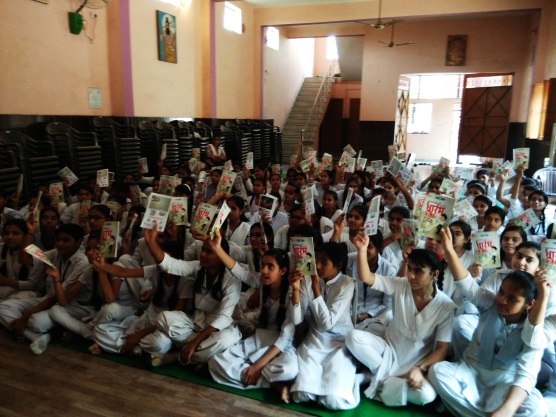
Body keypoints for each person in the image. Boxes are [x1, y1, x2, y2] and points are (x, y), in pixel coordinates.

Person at [429, 228, 548, 417]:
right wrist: (449, 251)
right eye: (501, 293)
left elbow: (526, 375)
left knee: (536, 407)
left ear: (530, 304)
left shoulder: (534, 329)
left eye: (513, 299)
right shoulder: (492, 302)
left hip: (505, 381)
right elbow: (468, 287)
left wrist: (506, 410)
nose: (503, 301)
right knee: (437, 371)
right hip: (472, 370)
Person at [346, 233, 456, 407]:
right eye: (410, 268)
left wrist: (420, 369)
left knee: (426, 395)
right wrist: (361, 250)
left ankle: (372, 378)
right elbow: (367, 277)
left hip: (415, 363)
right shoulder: (401, 284)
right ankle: (383, 380)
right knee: (353, 337)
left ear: (434, 274)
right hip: (388, 351)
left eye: (418, 271)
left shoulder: (446, 306)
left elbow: (441, 349)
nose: (411, 275)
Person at [139, 223, 242, 366]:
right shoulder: (198, 267)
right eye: (203, 250)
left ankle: (177, 355)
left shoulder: (232, 281)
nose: (203, 254)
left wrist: (194, 342)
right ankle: (201, 355)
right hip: (196, 325)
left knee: (226, 339)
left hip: (218, 329)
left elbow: (224, 318)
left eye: (209, 252)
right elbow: (171, 265)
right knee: (164, 318)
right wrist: (151, 243)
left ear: (220, 256)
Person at [208, 236, 298, 400]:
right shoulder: (262, 282)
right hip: (260, 337)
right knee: (216, 362)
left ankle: (251, 373)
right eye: (263, 265)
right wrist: (217, 249)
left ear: (283, 271)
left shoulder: (292, 292)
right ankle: (270, 383)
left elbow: (285, 338)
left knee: (289, 370)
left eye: (270, 267)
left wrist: (257, 366)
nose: (264, 271)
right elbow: (239, 272)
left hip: (281, 345)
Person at [289, 242, 359, 410]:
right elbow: (297, 320)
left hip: (339, 340)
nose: (318, 266)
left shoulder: (347, 283)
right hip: (315, 338)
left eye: (324, 262)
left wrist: (316, 289)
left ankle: (358, 379)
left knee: (334, 400)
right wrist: (296, 290)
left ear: (338, 265)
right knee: (301, 394)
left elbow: (326, 323)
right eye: (317, 260)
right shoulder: (308, 278)